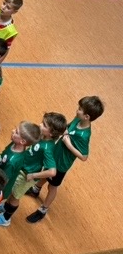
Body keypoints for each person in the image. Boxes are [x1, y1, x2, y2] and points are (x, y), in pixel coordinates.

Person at [26, 95, 101, 223]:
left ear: (87, 117)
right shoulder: (78, 120)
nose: (77, 110)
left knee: (52, 186)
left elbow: (84, 156)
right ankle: (35, 189)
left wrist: (69, 144)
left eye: (80, 109)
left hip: (61, 164)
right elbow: (68, 127)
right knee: (46, 172)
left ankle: (43, 209)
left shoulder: (84, 135)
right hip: (54, 154)